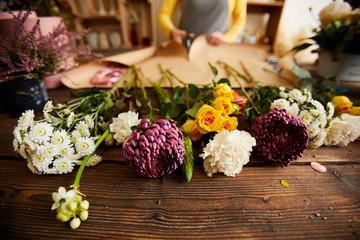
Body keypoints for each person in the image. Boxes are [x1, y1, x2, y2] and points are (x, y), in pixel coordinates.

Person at [158, 0, 247, 46]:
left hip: (218, 48)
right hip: (185, 49)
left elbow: (240, 19)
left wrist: (227, 38)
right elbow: (164, 14)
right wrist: (171, 31)